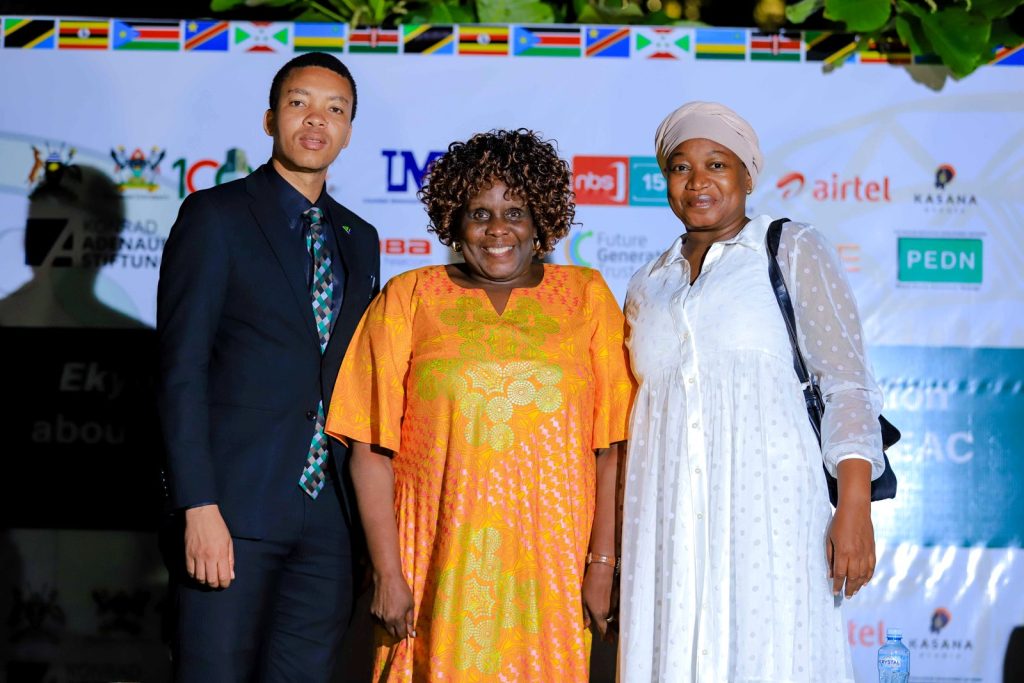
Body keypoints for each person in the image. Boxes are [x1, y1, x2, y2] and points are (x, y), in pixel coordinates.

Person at [325, 129, 635, 682]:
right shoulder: (409, 296)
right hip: (436, 565)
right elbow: (370, 449)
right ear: (453, 221)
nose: (498, 229)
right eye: (479, 212)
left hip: (554, 569)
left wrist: (603, 565)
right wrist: (388, 572)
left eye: (515, 211)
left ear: (541, 221)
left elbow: (610, 450)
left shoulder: (587, 296)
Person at [617, 102, 884, 682]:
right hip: (668, 523)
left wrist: (854, 507)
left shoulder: (789, 249)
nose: (699, 182)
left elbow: (847, 385)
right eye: (681, 168)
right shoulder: (647, 284)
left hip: (770, 511)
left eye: (717, 164)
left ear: (746, 176)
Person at [157, 52, 380, 682]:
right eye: (300, 103)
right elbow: (181, 371)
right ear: (269, 118)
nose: (317, 120)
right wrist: (198, 505)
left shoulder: (359, 238)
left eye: (335, 109)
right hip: (232, 512)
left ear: (349, 129)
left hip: (330, 524)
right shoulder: (215, 217)